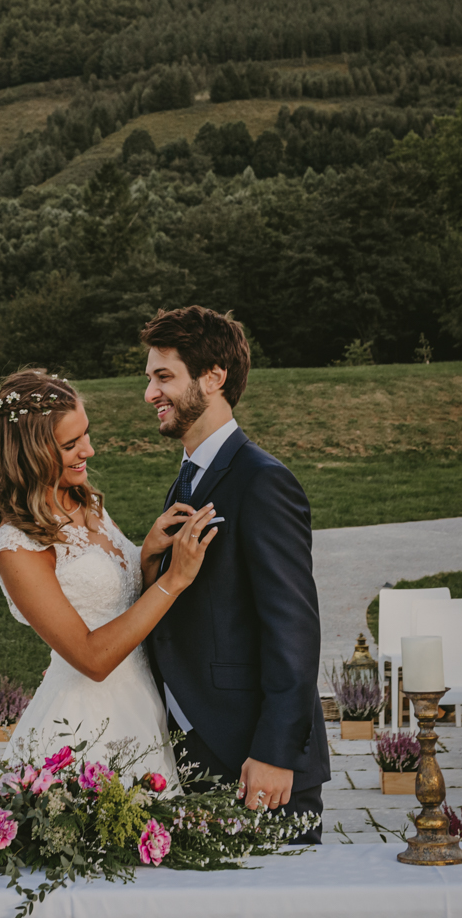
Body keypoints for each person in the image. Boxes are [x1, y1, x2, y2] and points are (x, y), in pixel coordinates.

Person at [141, 305, 329, 843]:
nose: (150, 393)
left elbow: (293, 630)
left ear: (213, 378)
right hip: (195, 747)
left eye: (163, 377)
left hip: (253, 758)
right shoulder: (190, 478)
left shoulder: (263, 481)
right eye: (150, 378)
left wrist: (274, 752)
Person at [0, 368, 218, 780]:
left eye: (85, 434)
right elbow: (92, 658)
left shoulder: (82, 500)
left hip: (143, 701)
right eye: (70, 444)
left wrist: (147, 553)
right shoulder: (17, 546)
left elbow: (120, 600)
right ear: (29, 453)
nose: (88, 450)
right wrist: (172, 580)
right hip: (84, 727)